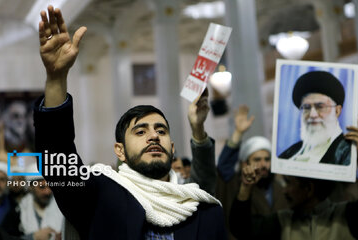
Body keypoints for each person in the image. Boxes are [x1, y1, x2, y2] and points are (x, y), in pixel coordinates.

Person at [33, 5, 226, 240]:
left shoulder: (204, 210)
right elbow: (57, 158)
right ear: (120, 151)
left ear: (172, 148)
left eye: (161, 130)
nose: (153, 136)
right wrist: (56, 78)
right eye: (140, 131)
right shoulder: (99, 196)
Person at [229, 124, 358, 240]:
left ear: (309, 189)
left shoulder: (345, 216)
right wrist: (246, 187)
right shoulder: (282, 221)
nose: (284, 190)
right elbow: (241, 229)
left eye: (289, 183)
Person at [216, 105, 287, 239]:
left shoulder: (281, 188)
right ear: (245, 163)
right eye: (257, 159)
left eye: (267, 159)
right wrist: (238, 132)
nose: (263, 164)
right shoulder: (235, 184)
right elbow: (224, 165)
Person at [279, 71, 351, 165]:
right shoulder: (290, 153)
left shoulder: (349, 151)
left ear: (337, 111)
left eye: (320, 107)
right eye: (306, 107)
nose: (312, 115)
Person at [2, 164, 63, 240]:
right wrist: (33, 237)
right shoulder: (18, 211)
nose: (47, 192)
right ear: (31, 187)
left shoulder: (63, 211)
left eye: (50, 187)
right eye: (42, 187)